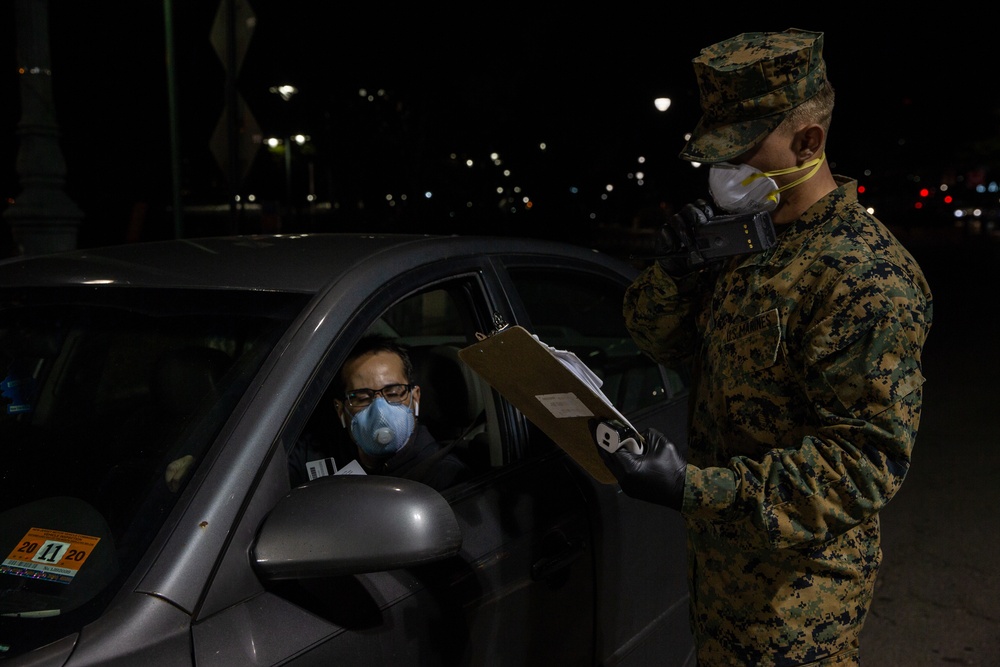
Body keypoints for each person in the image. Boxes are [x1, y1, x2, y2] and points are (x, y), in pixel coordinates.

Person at [596, 29, 933, 666]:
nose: (725, 173)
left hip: (796, 611)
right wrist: (678, 270)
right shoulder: (746, 245)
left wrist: (692, 489)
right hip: (719, 588)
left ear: (809, 141)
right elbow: (654, 338)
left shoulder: (863, 276)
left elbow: (862, 464)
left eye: (743, 151)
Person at [289, 334, 471, 491]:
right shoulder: (315, 454)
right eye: (361, 397)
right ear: (341, 410)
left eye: (393, 393)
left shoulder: (444, 477)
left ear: (415, 397)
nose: (380, 411)